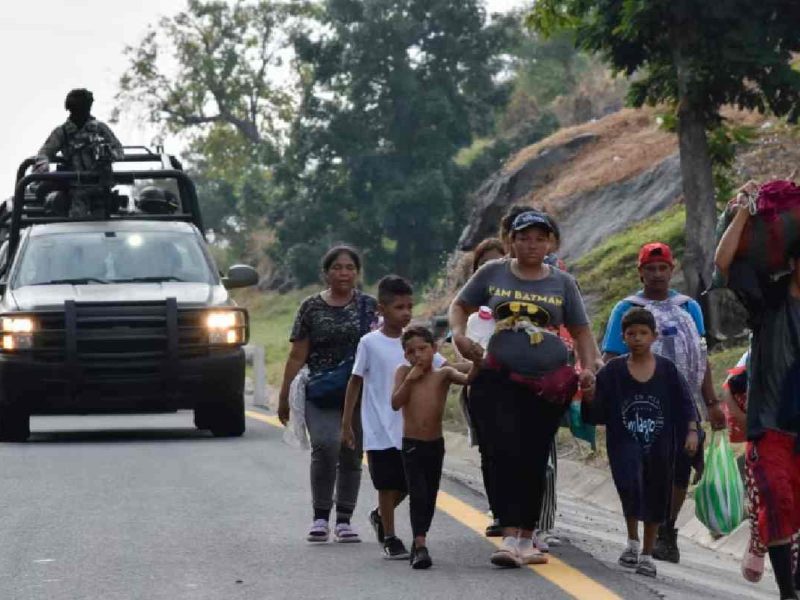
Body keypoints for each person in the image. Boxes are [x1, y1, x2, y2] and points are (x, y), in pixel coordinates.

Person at [449, 210, 598, 568]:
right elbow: (460, 306)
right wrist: (459, 336)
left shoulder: (563, 283)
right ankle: (509, 534)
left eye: (539, 238)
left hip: (546, 384)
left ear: (550, 244)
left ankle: (526, 539)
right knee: (500, 452)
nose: (532, 245)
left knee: (534, 458)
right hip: (496, 378)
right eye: (524, 238)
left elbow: (581, 331)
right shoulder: (492, 273)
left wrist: (589, 368)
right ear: (511, 241)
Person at [601, 241, 726, 563]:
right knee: (640, 469)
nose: (657, 274)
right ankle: (641, 534)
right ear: (640, 273)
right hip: (639, 406)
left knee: (680, 468)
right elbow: (611, 357)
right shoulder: (626, 309)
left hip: (683, 404)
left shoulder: (689, 307)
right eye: (650, 269)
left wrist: (711, 402)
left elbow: (700, 356)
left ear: (672, 270)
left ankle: (667, 531)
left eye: (663, 268)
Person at [715, 182, 800, 600]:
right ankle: (787, 593)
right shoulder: (768, 301)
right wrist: (746, 212)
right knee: (778, 505)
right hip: (771, 429)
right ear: (794, 262)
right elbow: (724, 263)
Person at [584, 307, 698, 578]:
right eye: (631, 333)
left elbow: (686, 403)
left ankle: (647, 553)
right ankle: (632, 541)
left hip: (660, 445)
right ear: (622, 337)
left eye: (643, 333)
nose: (637, 338)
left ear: (654, 336)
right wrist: (588, 395)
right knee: (629, 486)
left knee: (656, 493)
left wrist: (692, 431)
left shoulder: (667, 370)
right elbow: (597, 412)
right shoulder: (612, 371)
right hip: (623, 443)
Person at [278, 245, 378, 543]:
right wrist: (284, 396)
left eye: (349, 268)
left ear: (357, 273)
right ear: (325, 273)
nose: (343, 273)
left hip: (358, 392)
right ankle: (320, 517)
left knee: (351, 452)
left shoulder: (369, 307)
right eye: (337, 267)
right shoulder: (311, 307)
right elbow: (297, 355)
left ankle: (344, 520)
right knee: (325, 445)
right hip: (320, 391)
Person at [341, 275, 446, 559]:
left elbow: (443, 366)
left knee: (413, 484)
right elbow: (355, 381)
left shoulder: (415, 344)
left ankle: (379, 515)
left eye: (410, 306)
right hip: (379, 426)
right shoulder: (369, 343)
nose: (406, 313)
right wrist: (347, 424)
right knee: (387, 484)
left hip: (410, 428)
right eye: (399, 307)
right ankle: (390, 535)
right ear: (381, 309)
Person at [391, 326, 481, 569]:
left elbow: (468, 379)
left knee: (430, 495)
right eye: (411, 352)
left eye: (423, 349)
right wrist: (410, 380)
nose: (417, 355)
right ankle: (420, 545)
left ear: (434, 349)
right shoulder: (403, 372)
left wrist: (478, 362)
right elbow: (395, 403)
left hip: (435, 445)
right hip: (412, 445)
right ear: (405, 355)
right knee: (418, 493)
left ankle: (420, 539)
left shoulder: (443, 374)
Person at [461, 237, 505, 538]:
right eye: (484, 264)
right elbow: (465, 357)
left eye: (497, 262)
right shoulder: (470, 315)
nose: (491, 269)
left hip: (523, 388)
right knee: (490, 452)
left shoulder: (526, 306)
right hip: (484, 388)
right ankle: (500, 511)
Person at [35, 89, 124, 217]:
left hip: (101, 185)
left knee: (102, 221)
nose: (79, 113)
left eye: (82, 108)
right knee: (77, 220)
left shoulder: (100, 129)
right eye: (75, 109)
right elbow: (45, 152)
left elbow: (119, 151)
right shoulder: (63, 132)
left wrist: (108, 154)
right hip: (76, 187)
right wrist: (44, 164)